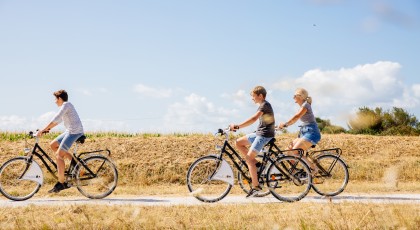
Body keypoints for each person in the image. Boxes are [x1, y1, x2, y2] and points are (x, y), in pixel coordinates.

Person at [230, 86, 275, 198]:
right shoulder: (262, 105)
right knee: (238, 142)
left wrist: (238, 126)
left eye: (253, 96)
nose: (252, 98)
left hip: (264, 135)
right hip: (259, 133)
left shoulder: (265, 105)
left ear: (260, 95)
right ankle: (256, 164)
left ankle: (256, 187)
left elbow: (253, 119)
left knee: (248, 158)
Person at [37, 90, 84, 193]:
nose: (54, 101)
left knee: (59, 156)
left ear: (59, 98)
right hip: (69, 131)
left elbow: (55, 118)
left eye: (55, 99)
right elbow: (57, 121)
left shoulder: (66, 105)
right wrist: (47, 129)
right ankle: (77, 165)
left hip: (75, 132)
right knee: (53, 145)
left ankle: (61, 183)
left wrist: (43, 129)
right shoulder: (65, 107)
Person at [277, 88, 321, 171]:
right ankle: (294, 172)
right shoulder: (302, 106)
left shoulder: (305, 106)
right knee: (288, 151)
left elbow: (296, 117)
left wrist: (285, 124)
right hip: (304, 132)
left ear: (301, 97)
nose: (293, 97)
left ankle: (314, 169)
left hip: (311, 132)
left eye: (295, 95)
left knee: (295, 151)